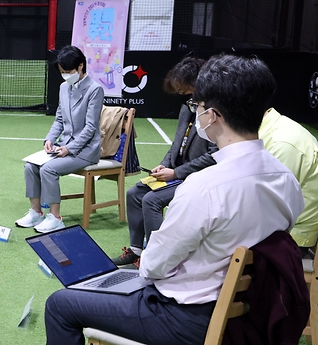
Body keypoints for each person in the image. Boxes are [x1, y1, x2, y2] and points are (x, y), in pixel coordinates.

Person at [43, 54, 304, 345]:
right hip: (249, 314)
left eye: (197, 106)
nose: (195, 111)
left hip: (183, 317)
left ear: (212, 116)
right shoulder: (286, 180)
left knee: (59, 304)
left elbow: (153, 265)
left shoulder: (205, 188)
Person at [111, 57, 217, 267]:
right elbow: (177, 143)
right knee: (134, 194)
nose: (181, 95)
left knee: (151, 200)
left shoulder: (213, 113)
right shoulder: (187, 107)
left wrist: (177, 173)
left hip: (198, 179)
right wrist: (164, 164)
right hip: (176, 173)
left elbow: (214, 156)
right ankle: (135, 250)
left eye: (185, 90)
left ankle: (155, 257)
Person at [16, 45, 103, 233]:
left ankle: (55, 218)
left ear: (80, 66)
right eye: (62, 72)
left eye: (68, 71)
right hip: (63, 146)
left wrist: (69, 149)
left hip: (86, 151)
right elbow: (60, 119)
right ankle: (36, 212)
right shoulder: (64, 87)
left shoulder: (95, 90)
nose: (65, 75)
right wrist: (49, 139)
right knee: (30, 166)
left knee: (48, 170)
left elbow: (90, 128)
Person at [259, 107, 318, 256]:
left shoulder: (283, 143)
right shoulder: (267, 131)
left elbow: (272, 211)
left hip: (291, 235)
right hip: (273, 228)